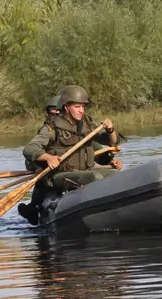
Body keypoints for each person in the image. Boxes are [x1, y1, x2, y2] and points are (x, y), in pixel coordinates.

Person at [18, 85, 125, 224]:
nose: (81, 110)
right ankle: (34, 208)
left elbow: (112, 143)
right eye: (77, 107)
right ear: (67, 107)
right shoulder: (51, 128)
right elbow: (29, 149)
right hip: (60, 175)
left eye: (83, 107)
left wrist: (111, 130)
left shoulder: (86, 124)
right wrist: (48, 157)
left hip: (84, 171)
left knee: (116, 176)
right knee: (94, 176)